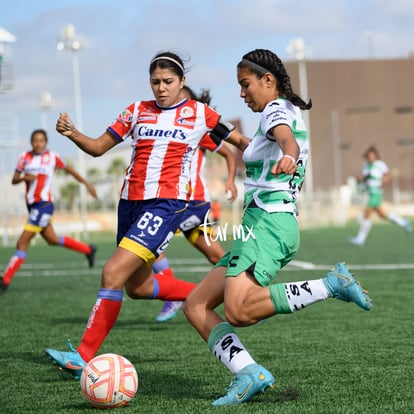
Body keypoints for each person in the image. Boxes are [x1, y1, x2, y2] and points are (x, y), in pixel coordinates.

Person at [183, 49, 372, 406]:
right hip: (258, 226)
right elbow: (249, 145)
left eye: (245, 85)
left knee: (237, 310)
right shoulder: (275, 115)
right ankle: (249, 373)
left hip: (269, 224)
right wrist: (212, 122)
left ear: (267, 80)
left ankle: (331, 284)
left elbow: (287, 140)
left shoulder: (276, 111)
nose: (242, 93)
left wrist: (289, 153)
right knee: (196, 305)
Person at [45, 51, 237, 379]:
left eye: (168, 82)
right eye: (155, 82)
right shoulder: (137, 111)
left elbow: (238, 143)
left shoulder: (200, 114)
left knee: (113, 272)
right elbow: (97, 147)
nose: (161, 88)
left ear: (182, 82)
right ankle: (206, 295)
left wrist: (281, 154)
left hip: (166, 205)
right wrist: (72, 132)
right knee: (139, 287)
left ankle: (82, 355)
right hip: (129, 205)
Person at [154, 85, 238, 322]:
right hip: (168, 201)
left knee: (216, 256)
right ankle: (173, 296)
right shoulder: (162, 128)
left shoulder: (199, 131)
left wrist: (230, 181)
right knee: (150, 249)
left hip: (193, 204)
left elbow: (230, 154)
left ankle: (244, 291)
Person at [0, 129, 97, 293]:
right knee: (51, 239)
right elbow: (14, 179)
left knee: (22, 242)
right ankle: (88, 250)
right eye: (35, 141)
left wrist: (87, 184)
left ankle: (5, 280)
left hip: (44, 205)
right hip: (32, 206)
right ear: (31, 142)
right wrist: (24, 177)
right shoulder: (25, 157)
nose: (38, 144)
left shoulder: (53, 157)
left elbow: (70, 170)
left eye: (41, 141)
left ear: (46, 143)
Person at [349, 146, 411, 246]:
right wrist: (361, 179)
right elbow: (365, 177)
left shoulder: (380, 164)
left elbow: (388, 174)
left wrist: (384, 180)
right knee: (383, 215)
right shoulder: (365, 165)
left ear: (375, 156)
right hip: (370, 192)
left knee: (367, 213)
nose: (370, 157)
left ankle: (360, 239)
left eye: (372, 155)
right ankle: (403, 223)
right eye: (369, 156)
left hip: (377, 192)